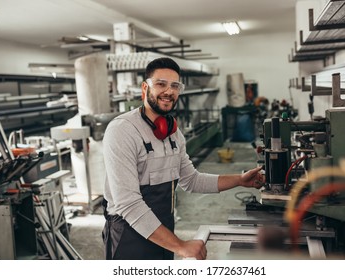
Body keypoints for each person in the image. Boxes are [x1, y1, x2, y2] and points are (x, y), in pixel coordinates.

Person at [102, 57, 265, 260]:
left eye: (175, 86)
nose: (169, 91)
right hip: (129, 235)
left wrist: (239, 180)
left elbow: (191, 180)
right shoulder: (123, 131)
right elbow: (128, 204)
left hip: (163, 231)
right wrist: (180, 245)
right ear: (145, 88)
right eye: (161, 84)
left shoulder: (174, 134)